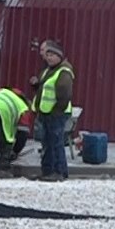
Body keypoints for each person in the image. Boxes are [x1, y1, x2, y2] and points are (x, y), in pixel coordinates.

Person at [29, 40, 75, 182]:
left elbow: (65, 95)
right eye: (47, 55)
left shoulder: (64, 72)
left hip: (56, 114)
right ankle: (47, 171)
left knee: (56, 143)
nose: (49, 58)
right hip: (46, 113)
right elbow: (45, 89)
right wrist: (36, 85)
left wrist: (56, 112)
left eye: (52, 55)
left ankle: (59, 171)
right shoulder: (48, 71)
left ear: (59, 56)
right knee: (47, 144)